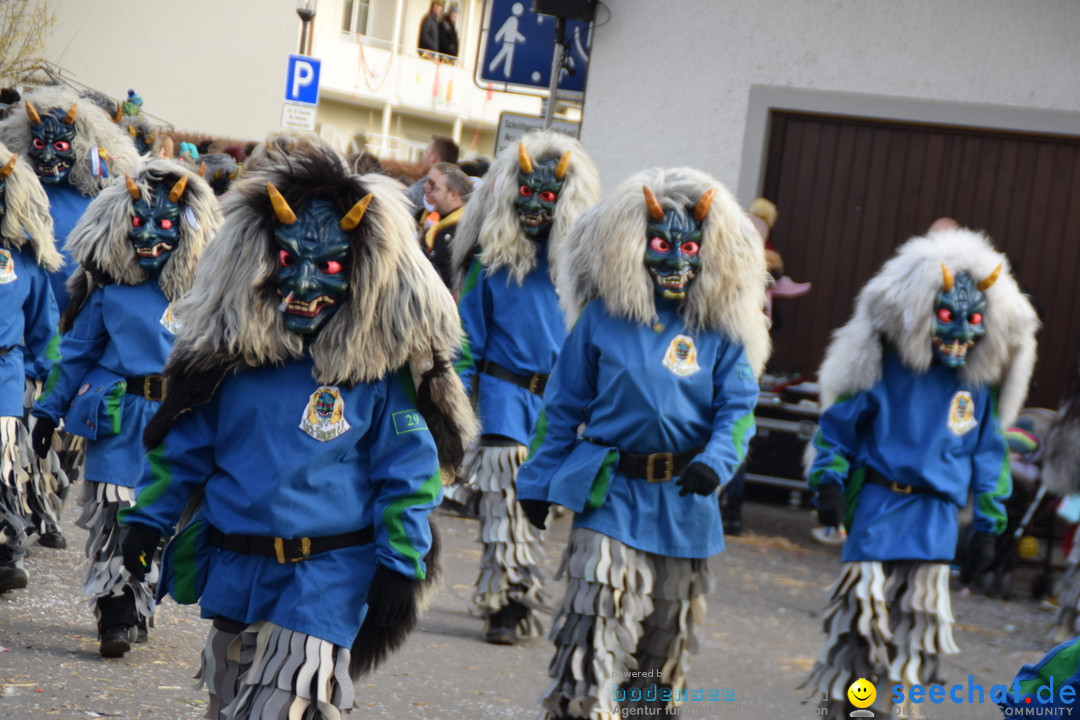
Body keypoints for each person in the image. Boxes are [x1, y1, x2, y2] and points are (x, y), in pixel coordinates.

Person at [118, 138, 476, 718]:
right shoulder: (230, 357)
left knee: (282, 706)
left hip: (325, 581)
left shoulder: (380, 372)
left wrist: (400, 565)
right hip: (235, 571)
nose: (306, 283)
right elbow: (183, 450)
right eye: (291, 261)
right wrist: (145, 524)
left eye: (329, 266)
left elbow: (408, 474)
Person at [515, 167, 771, 719]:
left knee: (664, 644)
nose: (676, 261)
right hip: (610, 495)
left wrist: (717, 461)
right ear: (634, 248)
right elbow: (561, 407)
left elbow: (738, 408)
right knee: (593, 626)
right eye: (660, 245)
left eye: (689, 248)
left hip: (686, 502)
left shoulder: (721, 330)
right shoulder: (602, 319)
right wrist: (537, 481)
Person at [802, 225, 1038, 716]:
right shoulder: (885, 369)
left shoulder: (974, 389)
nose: (960, 330)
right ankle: (849, 710)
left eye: (972, 319)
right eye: (949, 316)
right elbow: (840, 429)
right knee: (861, 628)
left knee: (913, 637)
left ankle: (886, 713)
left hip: (934, 523)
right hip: (879, 509)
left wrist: (990, 526)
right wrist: (827, 479)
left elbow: (987, 454)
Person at [30, 160, 221, 657]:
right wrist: (48, 411)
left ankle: (139, 600)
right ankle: (113, 611)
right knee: (114, 517)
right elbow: (77, 354)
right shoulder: (108, 288)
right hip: (121, 415)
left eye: (164, 224)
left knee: (158, 519)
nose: (150, 234)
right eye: (139, 222)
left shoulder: (210, 295)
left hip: (177, 424)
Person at [450, 130, 601, 645]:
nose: (535, 204)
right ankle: (508, 603)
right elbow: (466, 339)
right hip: (503, 401)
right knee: (503, 505)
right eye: (527, 193)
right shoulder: (487, 263)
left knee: (541, 508)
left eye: (549, 195)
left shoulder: (586, 273)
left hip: (562, 410)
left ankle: (528, 591)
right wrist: (454, 407)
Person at [0, 85, 140, 548]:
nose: (49, 153)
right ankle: (18, 517)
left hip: (80, 330)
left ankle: (50, 505)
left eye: (61, 144)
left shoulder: (99, 199)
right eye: (39, 142)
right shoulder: (20, 194)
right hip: (27, 328)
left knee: (65, 435)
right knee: (21, 428)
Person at [0, 143, 64, 592]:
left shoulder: (24, 258)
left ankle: (5, 550)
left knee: (3, 464)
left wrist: (47, 378)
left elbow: (43, 324)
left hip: (4, 373)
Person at [421, 161, 471, 288]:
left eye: (437, 189)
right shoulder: (440, 224)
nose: (431, 194)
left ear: (453, 195)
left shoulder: (463, 231)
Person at [404, 134, 459, 221]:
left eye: (426, 153)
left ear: (434, 157)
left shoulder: (417, 192)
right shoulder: (458, 194)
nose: (422, 158)